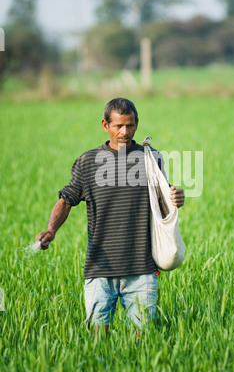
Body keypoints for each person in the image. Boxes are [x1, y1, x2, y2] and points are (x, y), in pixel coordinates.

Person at [36, 98, 185, 336]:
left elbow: (163, 197)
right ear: (105, 125)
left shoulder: (150, 158)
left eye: (130, 125)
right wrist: (51, 230)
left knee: (141, 341)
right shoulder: (88, 162)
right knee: (98, 339)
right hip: (99, 269)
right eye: (118, 126)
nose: (125, 132)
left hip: (142, 268)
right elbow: (66, 200)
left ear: (137, 124)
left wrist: (176, 197)